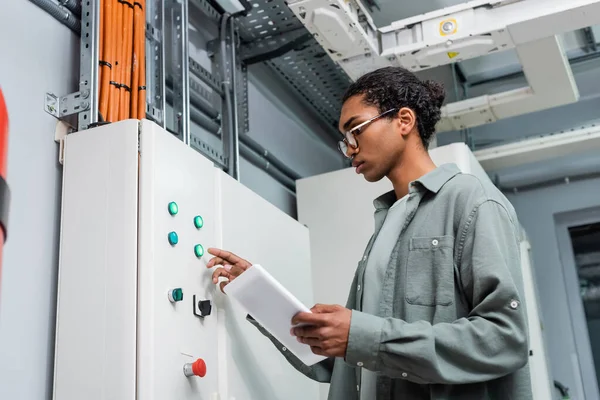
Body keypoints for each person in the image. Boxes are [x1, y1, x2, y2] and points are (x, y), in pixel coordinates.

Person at [206, 66, 532, 399]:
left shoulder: (472, 201)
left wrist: (361, 336)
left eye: (356, 130)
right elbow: (344, 357)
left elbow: (505, 340)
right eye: (344, 140)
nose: (350, 150)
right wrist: (258, 294)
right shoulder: (388, 223)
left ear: (404, 121)